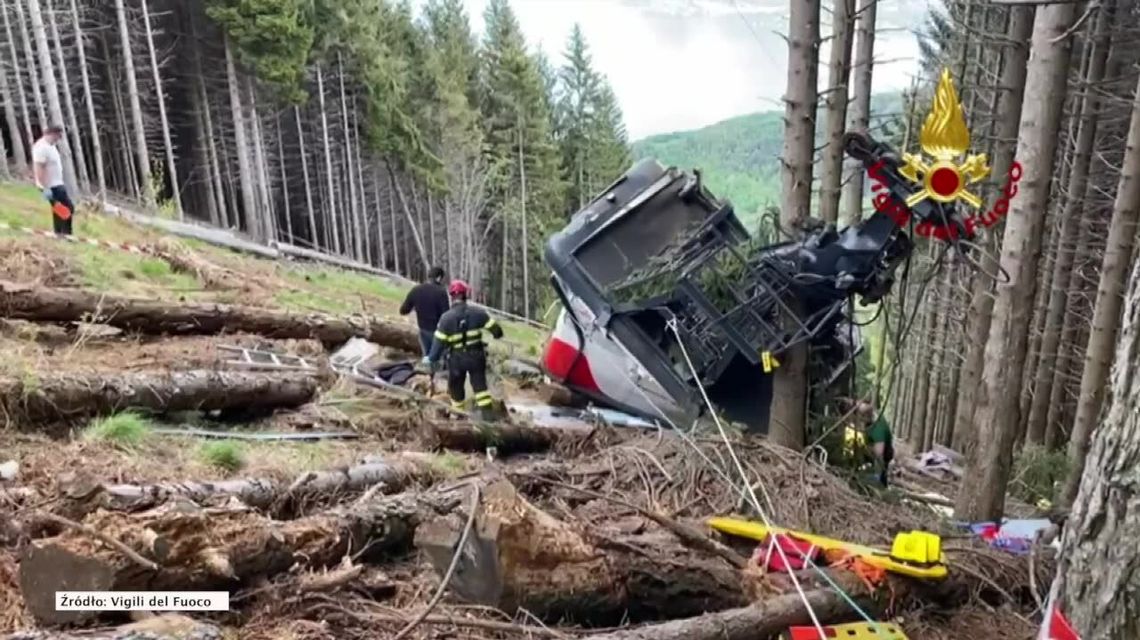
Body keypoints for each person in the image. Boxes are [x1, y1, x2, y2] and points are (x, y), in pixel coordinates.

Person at [424, 280, 504, 419]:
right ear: (466, 294)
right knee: (480, 388)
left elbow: (437, 348)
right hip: (477, 357)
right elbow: (497, 332)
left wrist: (430, 359)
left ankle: (458, 419)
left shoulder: (446, 318)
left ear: (451, 296)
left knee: (456, 389)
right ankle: (489, 421)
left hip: (456, 360)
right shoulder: (478, 313)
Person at [32, 124, 74, 236]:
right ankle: (65, 235)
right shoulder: (41, 147)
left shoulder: (51, 145)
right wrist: (44, 187)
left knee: (59, 210)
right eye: (58, 136)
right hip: (50, 186)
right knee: (67, 208)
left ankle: (60, 233)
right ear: (52, 134)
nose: (59, 139)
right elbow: (39, 168)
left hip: (57, 184)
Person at [399, 266, 450, 357]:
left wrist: (416, 307)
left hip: (423, 329)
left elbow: (403, 310)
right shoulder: (441, 292)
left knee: (427, 356)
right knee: (440, 357)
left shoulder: (416, 290)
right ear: (439, 278)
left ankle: (428, 370)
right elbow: (446, 315)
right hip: (438, 331)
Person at [855, 400, 895, 487]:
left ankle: (878, 486)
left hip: (883, 456)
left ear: (866, 417)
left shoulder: (878, 429)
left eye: (861, 416)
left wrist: (864, 448)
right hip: (872, 446)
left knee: (879, 479)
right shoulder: (872, 416)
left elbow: (879, 453)